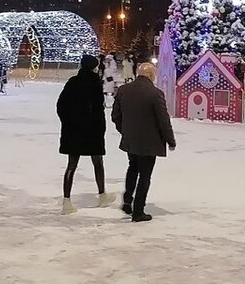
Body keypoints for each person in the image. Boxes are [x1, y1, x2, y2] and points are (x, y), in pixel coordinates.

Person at [111, 62, 176, 222]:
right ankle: (138, 211)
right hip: (150, 142)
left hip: (130, 140)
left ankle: (127, 201)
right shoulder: (155, 94)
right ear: (152, 76)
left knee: (132, 168)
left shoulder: (124, 90)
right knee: (145, 175)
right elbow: (163, 120)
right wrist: (170, 140)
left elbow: (115, 116)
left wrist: (125, 131)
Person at [57, 55, 115, 214]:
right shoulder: (95, 83)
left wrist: (68, 123)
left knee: (71, 165)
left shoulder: (73, 82)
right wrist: (99, 128)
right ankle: (102, 195)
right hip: (92, 131)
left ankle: (66, 200)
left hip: (73, 131)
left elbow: (61, 105)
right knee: (98, 162)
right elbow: (98, 110)